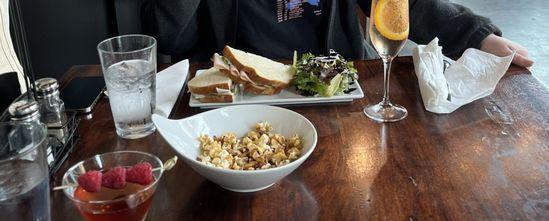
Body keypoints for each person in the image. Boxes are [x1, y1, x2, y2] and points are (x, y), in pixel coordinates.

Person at [141, 0, 533, 68]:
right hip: (241, 93)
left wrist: (476, 35)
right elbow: (167, 36)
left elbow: (400, 4)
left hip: (341, 85)